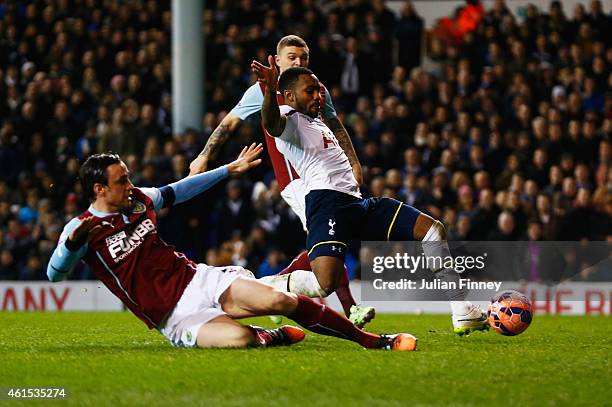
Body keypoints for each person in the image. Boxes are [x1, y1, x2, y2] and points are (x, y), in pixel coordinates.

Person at [46, 148, 416, 351]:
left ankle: (369, 341)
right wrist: (68, 249)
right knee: (239, 340)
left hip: (197, 280)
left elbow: (180, 189)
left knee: (281, 303)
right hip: (174, 318)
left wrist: (228, 169)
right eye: (121, 180)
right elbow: (55, 274)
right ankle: (270, 334)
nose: (129, 184)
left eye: (127, 177)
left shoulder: (140, 200)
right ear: (99, 189)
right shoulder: (81, 230)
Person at [252, 60, 489, 335]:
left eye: (318, 90)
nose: (318, 96)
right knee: (323, 284)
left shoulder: (317, 121)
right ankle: (268, 285)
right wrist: (270, 90)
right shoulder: (288, 118)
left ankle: (462, 310)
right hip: (327, 204)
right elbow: (271, 122)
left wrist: (354, 164)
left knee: (432, 230)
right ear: (290, 95)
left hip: (357, 203)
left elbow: (338, 128)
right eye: (310, 91)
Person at [189, 35, 373, 327]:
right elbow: (228, 124)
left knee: (328, 242)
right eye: (291, 58)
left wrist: (353, 162)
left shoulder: (317, 90)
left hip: (322, 175)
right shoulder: (260, 91)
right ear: (276, 61)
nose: (298, 63)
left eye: (303, 58)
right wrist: (203, 157)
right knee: (332, 237)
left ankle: (273, 288)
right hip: (297, 182)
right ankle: (350, 308)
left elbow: (334, 125)